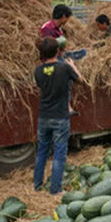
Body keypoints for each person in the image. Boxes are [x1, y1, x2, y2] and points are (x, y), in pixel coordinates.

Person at [33, 37, 82, 195]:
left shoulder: (38, 71)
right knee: (59, 154)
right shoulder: (64, 68)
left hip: (44, 117)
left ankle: (37, 186)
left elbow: (42, 84)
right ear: (57, 51)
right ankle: (55, 190)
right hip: (60, 117)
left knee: (42, 151)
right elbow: (81, 80)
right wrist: (73, 66)